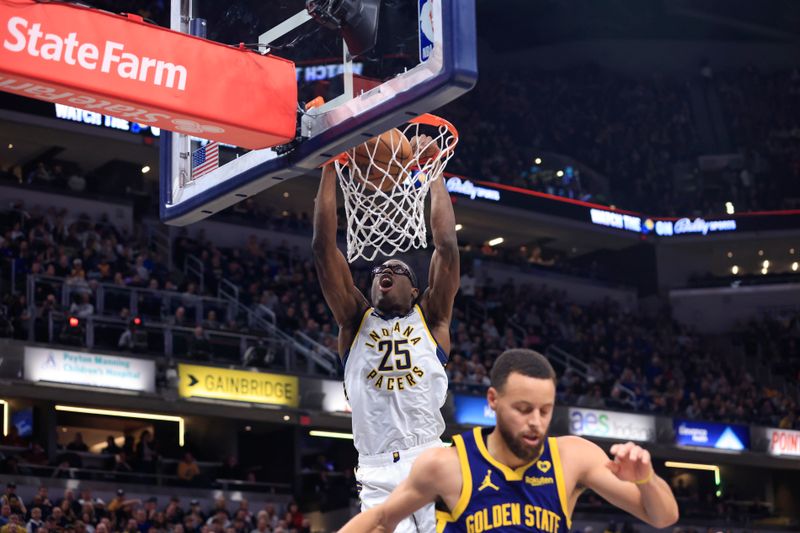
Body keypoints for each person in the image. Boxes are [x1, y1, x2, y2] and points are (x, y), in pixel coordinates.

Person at [338, 349, 680, 533]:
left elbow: (663, 518)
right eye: (523, 409)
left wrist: (646, 479)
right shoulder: (447, 465)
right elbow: (382, 521)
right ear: (493, 400)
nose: (535, 422)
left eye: (545, 410)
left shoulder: (573, 458)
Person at [312, 133, 460, 533]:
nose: (385, 273)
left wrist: (433, 170)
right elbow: (324, 247)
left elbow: (446, 246)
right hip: (376, 469)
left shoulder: (431, 319)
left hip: (428, 457)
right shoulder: (353, 319)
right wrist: (328, 164)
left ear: (416, 291)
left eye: (397, 271)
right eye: (378, 272)